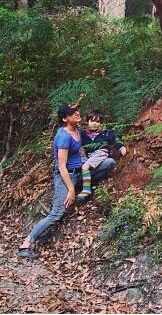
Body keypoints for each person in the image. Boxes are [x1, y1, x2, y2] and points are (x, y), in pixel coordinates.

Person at [15, 104, 117, 259]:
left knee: (109, 162)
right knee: (57, 213)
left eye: (77, 110)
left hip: (80, 171)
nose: (77, 113)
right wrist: (70, 189)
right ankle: (25, 245)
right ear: (64, 118)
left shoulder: (78, 131)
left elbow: (93, 140)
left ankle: (86, 187)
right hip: (66, 175)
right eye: (72, 112)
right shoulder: (63, 136)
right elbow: (61, 166)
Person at [77, 109, 126, 201]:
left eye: (98, 121)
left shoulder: (107, 133)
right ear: (87, 121)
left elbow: (115, 140)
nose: (94, 123)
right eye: (92, 120)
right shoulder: (82, 134)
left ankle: (86, 189)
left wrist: (121, 147)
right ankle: (86, 183)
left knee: (87, 167)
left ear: (101, 123)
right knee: (81, 165)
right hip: (88, 157)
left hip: (101, 155)